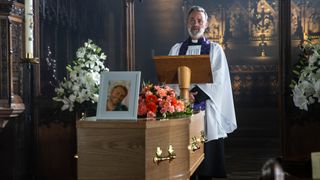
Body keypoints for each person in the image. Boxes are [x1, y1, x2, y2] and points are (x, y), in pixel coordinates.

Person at [169, 6, 237, 179]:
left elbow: (218, 79)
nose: (196, 24)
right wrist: (183, 95)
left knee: (206, 167)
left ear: (206, 24)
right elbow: (169, 78)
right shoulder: (176, 49)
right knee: (183, 165)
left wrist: (194, 95)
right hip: (181, 109)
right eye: (192, 20)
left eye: (200, 21)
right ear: (186, 22)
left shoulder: (215, 50)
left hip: (207, 110)